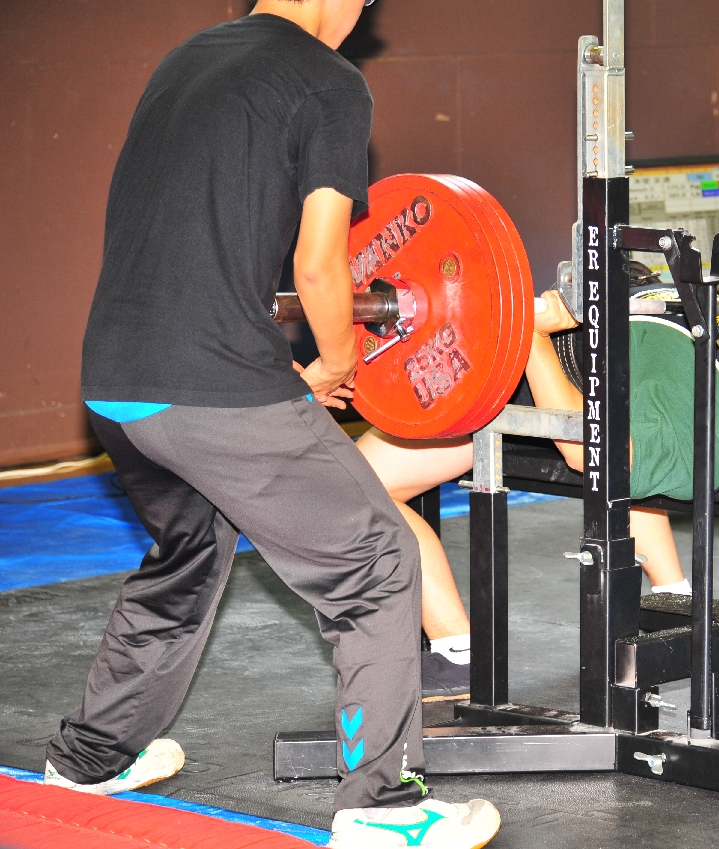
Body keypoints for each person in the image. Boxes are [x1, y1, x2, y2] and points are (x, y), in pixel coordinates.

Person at [49, 1, 500, 846]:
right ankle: (384, 807)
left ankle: (89, 758)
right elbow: (320, 266)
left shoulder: (187, 59)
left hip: (114, 380)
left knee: (187, 557)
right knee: (376, 560)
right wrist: (336, 362)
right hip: (212, 383)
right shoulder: (328, 80)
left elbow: (186, 241)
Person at [358, 287, 719, 699]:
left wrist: (530, 336)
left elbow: (591, 452)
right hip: (589, 308)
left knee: (355, 489)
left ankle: (458, 652)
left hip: (513, 379)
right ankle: (676, 596)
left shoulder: (703, 441)